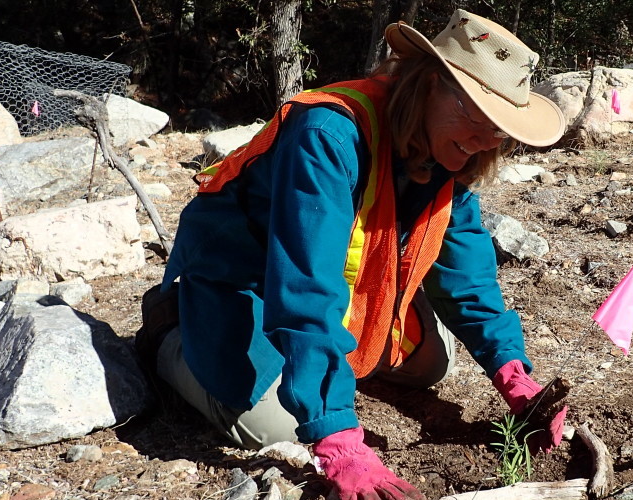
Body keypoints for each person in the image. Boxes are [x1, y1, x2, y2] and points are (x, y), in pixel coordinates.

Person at [135, 8, 569, 500]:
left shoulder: (452, 151)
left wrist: (513, 372)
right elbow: (304, 285)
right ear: (428, 84)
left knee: (431, 364)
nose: (483, 139)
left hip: (335, 280)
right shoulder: (328, 133)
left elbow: (467, 277)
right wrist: (337, 438)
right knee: (278, 427)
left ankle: (317, 370)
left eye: (498, 129)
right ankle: (171, 332)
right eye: (475, 115)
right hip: (245, 281)